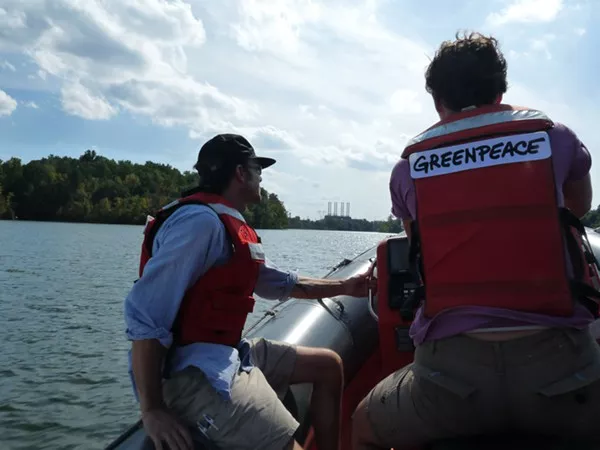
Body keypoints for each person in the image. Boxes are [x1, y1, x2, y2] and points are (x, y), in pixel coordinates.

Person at [352, 32, 600, 450]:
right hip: (562, 370)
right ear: (500, 90)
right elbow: (577, 207)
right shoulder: (554, 137)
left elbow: (421, 244)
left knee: (362, 426)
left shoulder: (406, 169)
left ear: (437, 102)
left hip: (450, 380)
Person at [124, 133, 371, 450]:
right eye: (257, 169)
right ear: (240, 173)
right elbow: (145, 314)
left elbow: (277, 283)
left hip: (227, 351)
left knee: (328, 367)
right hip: (190, 373)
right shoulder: (200, 223)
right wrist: (153, 409)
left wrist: (346, 287)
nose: (261, 177)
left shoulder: (226, 223)